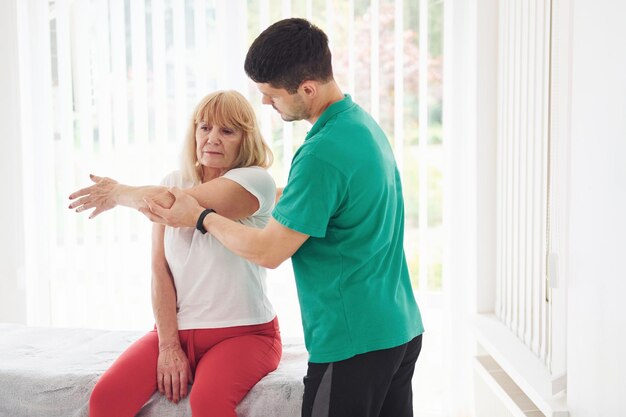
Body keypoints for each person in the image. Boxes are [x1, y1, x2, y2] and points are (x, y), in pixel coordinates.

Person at [141, 18, 425, 417]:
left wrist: (202, 216)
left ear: (307, 89)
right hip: (399, 328)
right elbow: (329, 204)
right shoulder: (361, 125)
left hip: (353, 341)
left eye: (271, 94)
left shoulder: (320, 153)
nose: (265, 103)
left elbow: (268, 251)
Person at [68, 90, 282, 417]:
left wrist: (117, 193)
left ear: (245, 139)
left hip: (246, 334)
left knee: (208, 403)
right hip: (177, 332)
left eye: (227, 131)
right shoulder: (173, 181)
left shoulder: (254, 181)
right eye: (205, 127)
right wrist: (168, 345)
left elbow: (172, 203)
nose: (212, 138)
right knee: (106, 400)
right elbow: (159, 268)